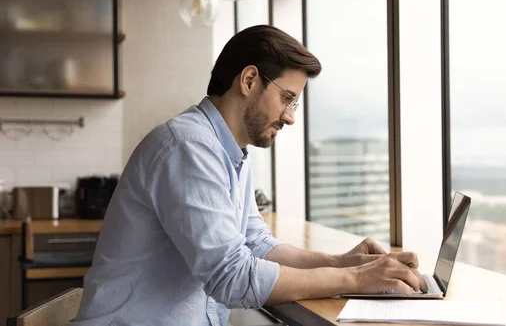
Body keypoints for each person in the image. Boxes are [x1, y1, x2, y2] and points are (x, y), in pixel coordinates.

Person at [69, 25, 427, 326]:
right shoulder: (189, 146)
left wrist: (344, 262)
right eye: (287, 98)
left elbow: (257, 246)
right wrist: (357, 279)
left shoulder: (230, 151)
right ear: (250, 80)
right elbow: (232, 277)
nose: (290, 117)